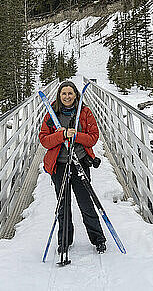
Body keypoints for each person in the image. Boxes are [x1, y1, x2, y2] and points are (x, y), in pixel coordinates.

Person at [39, 81, 107, 254]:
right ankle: (64, 241)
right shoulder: (52, 113)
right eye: (64, 94)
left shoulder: (84, 113)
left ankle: (98, 239)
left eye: (70, 93)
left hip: (80, 162)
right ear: (59, 95)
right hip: (59, 165)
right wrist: (61, 135)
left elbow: (93, 138)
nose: (67, 97)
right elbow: (44, 140)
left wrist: (75, 136)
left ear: (76, 95)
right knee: (64, 204)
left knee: (86, 203)